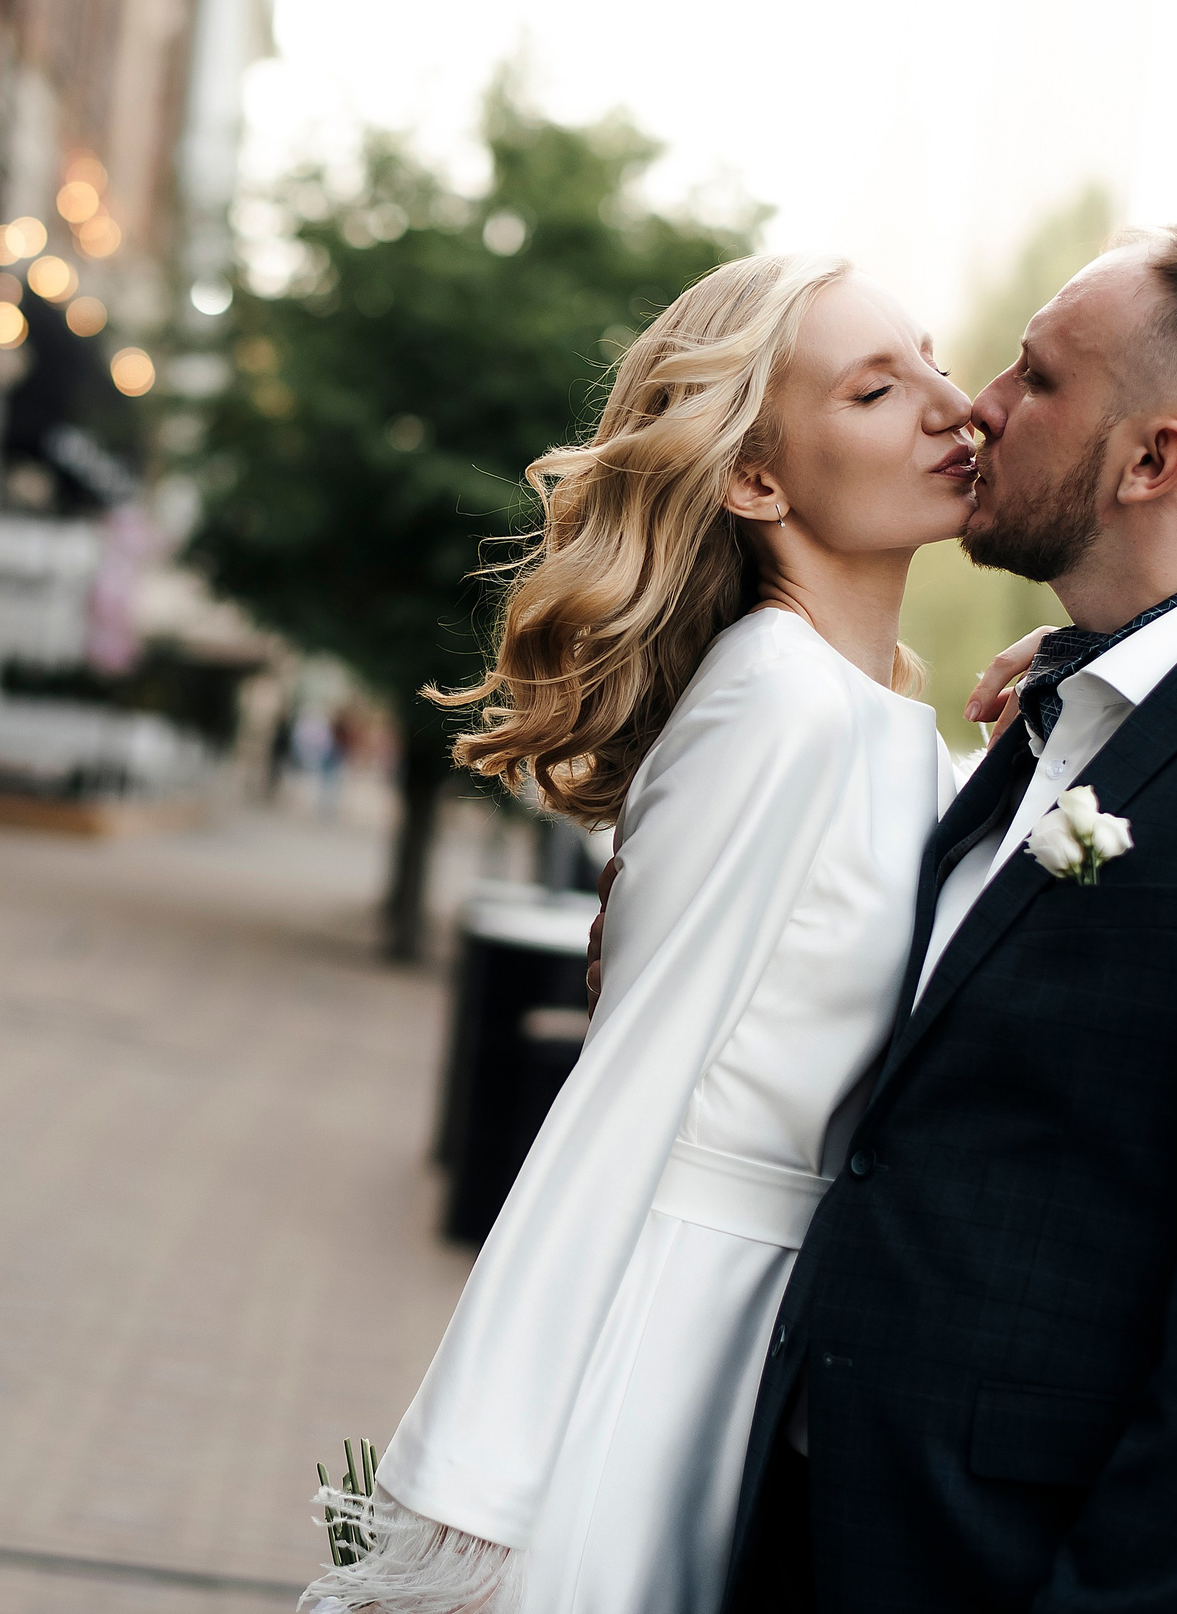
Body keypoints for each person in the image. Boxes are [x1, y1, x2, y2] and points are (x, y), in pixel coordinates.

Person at [647, 227, 1177, 1612]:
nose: (975, 402)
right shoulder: (1054, 713)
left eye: (1036, 377)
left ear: (1152, 460)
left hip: (1044, 1570)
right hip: (836, 1521)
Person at [305, 252, 997, 1614]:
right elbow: (625, 1090)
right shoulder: (780, 705)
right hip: (661, 1339)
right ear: (757, 478)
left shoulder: (881, 722)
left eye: (932, 356)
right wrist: (478, 1486)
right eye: (874, 388)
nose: (949, 405)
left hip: (768, 1346)